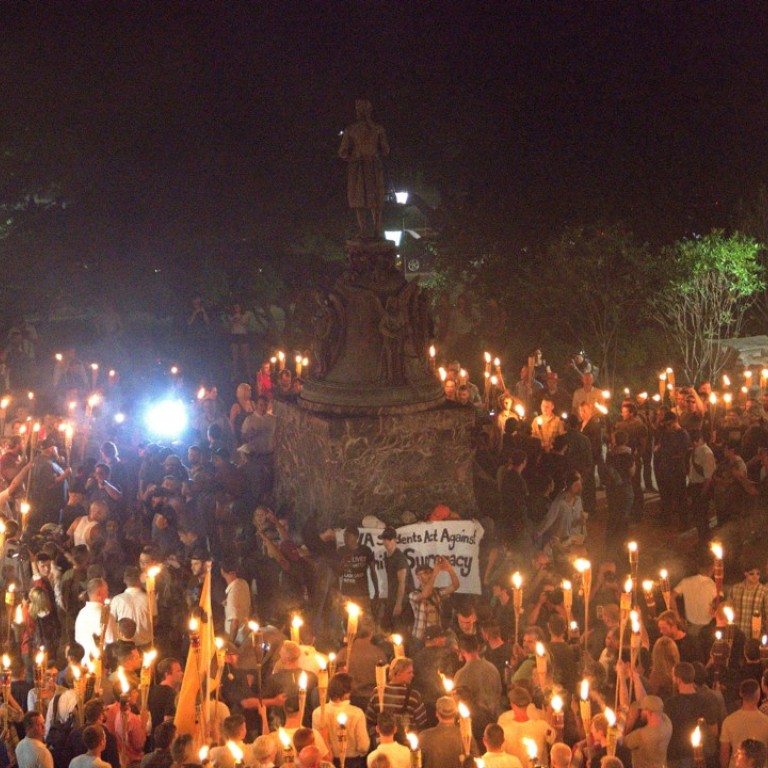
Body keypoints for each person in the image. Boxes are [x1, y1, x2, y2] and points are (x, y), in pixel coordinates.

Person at [338, 99, 389, 238]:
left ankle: (373, 230)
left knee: (372, 199)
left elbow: (385, 149)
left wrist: (353, 155)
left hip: (369, 167)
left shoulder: (375, 129)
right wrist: (353, 156)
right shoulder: (354, 130)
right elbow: (343, 151)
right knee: (361, 199)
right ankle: (367, 230)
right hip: (361, 167)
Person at [409, 557, 459, 643]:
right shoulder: (413, 594)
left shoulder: (437, 592)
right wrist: (435, 573)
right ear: (418, 577)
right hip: (420, 637)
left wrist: (449, 569)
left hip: (436, 636)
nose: (429, 575)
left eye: (430, 572)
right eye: (425, 573)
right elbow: (425, 595)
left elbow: (455, 586)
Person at [720, 680, 768, 768]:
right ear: (758, 696)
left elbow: (724, 753)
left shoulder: (729, 721)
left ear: (740, 694)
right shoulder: (766, 721)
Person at [418, 696, 477, 768]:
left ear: (437, 713)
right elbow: (476, 762)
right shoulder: (466, 737)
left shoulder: (424, 736)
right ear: (455, 713)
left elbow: (416, 763)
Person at [621, 695, 672, 768]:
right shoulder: (667, 723)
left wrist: (632, 719)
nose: (640, 712)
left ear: (649, 712)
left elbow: (622, 742)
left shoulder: (641, 735)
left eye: (642, 710)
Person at [381, 528, 413, 633]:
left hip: (401, 599)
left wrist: (399, 604)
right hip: (392, 597)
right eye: (384, 539)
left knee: (399, 630)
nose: (386, 542)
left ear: (395, 540)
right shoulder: (387, 556)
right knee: (388, 629)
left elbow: (402, 582)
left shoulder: (399, 558)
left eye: (388, 539)